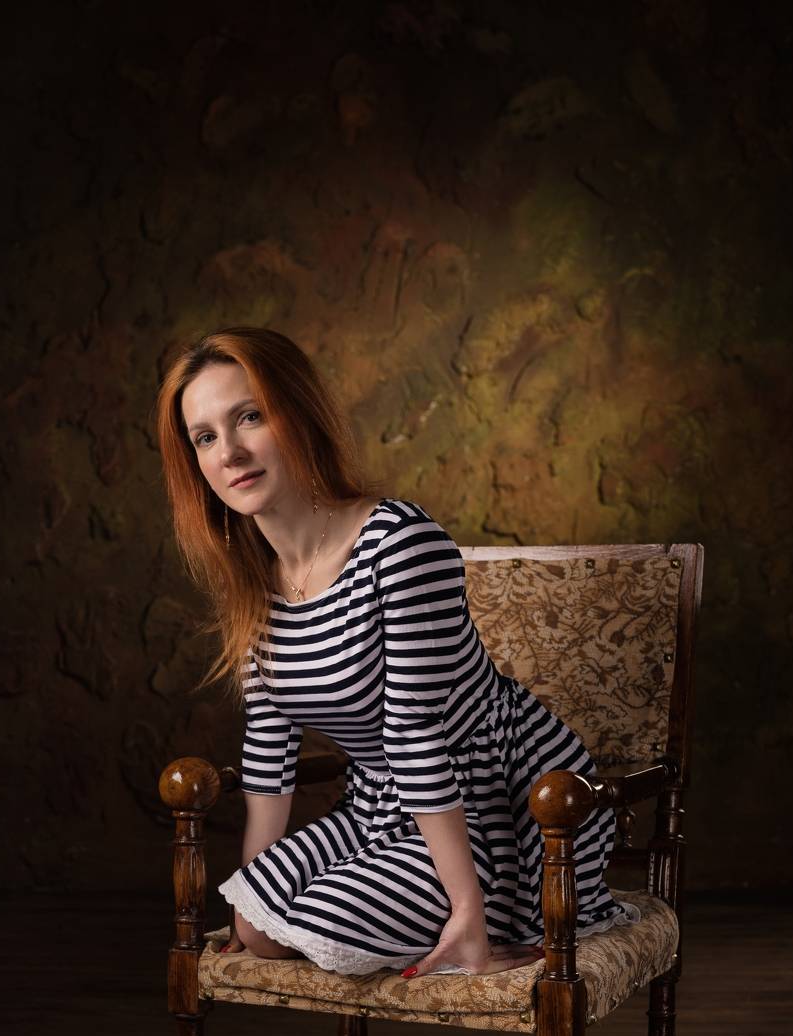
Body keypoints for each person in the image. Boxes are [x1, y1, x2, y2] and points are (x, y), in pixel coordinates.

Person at [156, 327, 632, 979]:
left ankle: (486, 909)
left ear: (297, 414)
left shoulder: (400, 544)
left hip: (503, 804)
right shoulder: (251, 582)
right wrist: (254, 901)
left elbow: (414, 732)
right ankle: (412, 901)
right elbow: (269, 750)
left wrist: (467, 915)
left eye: (249, 417)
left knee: (318, 923)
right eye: (205, 437)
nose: (230, 452)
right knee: (255, 927)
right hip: (379, 803)